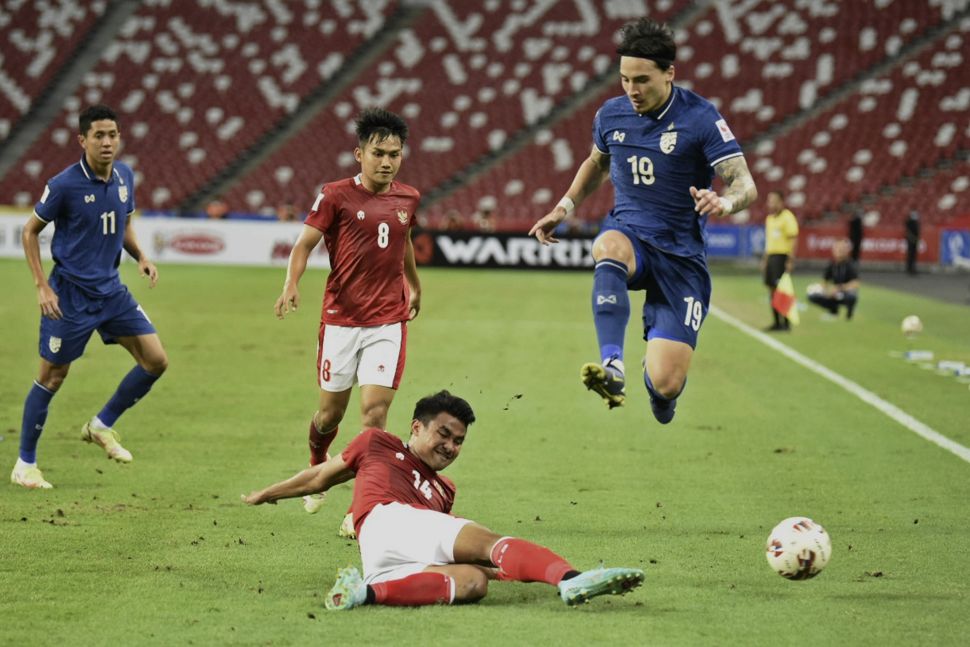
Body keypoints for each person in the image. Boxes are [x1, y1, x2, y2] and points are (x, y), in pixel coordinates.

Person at [528, 18, 757, 424]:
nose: (631, 90)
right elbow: (597, 164)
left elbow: (744, 182)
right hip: (631, 234)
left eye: (642, 80)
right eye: (624, 79)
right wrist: (563, 207)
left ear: (670, 73)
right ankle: (612, 366)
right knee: (607, 247)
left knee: (666, 382)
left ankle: (661, 395)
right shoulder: (611, 115)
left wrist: (724, 203)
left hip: (681, 258)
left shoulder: (700, 118)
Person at [242, 390, 644, 609]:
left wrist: (500, 571)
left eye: (459, 441)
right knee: (489, 542)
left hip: (383, 560)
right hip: (386, 518)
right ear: (416, 427)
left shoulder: (444, 490)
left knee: (471, 582)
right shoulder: (378, 444)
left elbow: (454, 558)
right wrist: (269, 493)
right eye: (444, 435)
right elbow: (320, 476)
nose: (450, 447)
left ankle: (363, 592)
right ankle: (571, 579)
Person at [274, 108, 421, 536]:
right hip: (340, 321)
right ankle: (318, 464)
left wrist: (414, 285)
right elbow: (303, 245)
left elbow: (404, 240)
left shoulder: (408, 198)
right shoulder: (335, 194)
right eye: (378, 153)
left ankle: (362, 508)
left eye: (395, 153)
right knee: (328, 415)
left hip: (387, 323)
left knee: (374, 415)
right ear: (359, 154)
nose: (387, 161)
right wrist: (291, 284)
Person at [11, 104, 169, 489]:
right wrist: (41, 286)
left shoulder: (124, 176)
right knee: (52, 376)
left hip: (112, 291)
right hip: (69, 296)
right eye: (98, 135)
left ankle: (100, 426)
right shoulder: (64, 184)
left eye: (112, 134)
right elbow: (29, 232)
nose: (107, 142)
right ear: (82, 140)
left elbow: (122, 225)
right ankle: (24, 465)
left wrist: (141, 256)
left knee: (155, 360)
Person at [761, 190, 799, 331]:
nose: (770, 203)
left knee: (782, 289)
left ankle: (786, 323)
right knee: (772, 290)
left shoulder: (787, 217)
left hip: (781, 257)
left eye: (773, 200)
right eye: (769, 200)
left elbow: (793, 239)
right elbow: (768, 242)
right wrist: (765, 259)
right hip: (771, 257)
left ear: (780, 202)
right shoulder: (769, 219)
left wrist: (790, 260)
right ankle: (776, 322)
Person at [806, 238, 859, 320]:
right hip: (833, 293)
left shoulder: (850, 264)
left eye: (842, 249)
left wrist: (839, 288)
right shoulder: (832, 265)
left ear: (846, 251)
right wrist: (827, 290)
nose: (839, 251)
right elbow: (824, 282)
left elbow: (855, 283)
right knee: (812, 296)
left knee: (852, 296)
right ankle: (833, 311)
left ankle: (849, 314)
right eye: (837, 248)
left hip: (844, 292)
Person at [905, 210, 920, 275]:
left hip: (914, 240)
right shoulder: (910, 223)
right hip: (911, 240)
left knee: (913, 255)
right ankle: (910, 268)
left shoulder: (915, 223)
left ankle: (911, 268)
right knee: (911, 255)